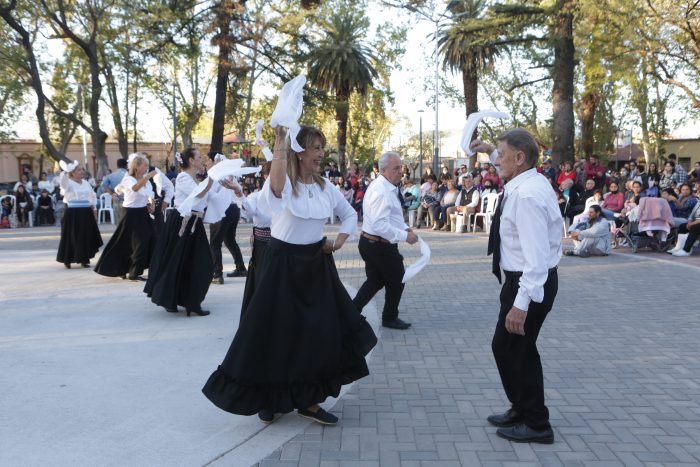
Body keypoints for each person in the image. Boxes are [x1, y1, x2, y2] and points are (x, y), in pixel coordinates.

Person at [202, 125, 376, 426]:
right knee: (277, 334)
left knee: (316, 335)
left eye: (322, 147)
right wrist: (280, 143)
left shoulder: (325, 187)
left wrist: (338, 241)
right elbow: (277, 188)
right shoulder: (282, 183)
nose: (321, 154)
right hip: (281, 264)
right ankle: (271, 398)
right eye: (315, 148)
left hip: (315, 265)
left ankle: (309, 401)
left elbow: (349, 214)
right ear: (299, 152)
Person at [470, 128, 561, 444]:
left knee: (518, 351)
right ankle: (521, 408)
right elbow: (504, 161)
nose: (498, 161)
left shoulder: (526, 196)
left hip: (529, 282)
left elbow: (536, 258)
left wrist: (521, 303)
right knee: (508, 348)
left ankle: (537, 423)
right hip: (524, 280)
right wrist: (488, 151)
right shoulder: (527, 180)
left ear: (520, 158)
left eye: (502, 154)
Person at [144, 148, 215, 316]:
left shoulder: (192, 178)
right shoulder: (183, 177)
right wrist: (212, 177)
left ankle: (188, 300)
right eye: (198, 157)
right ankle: (178, 300)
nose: (201, 159)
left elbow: (205, 197)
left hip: (193, 223)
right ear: (190, 160)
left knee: (196, 262)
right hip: (182, 223)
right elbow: (199, 194)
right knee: (179, 261)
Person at [353, 151, 419, 330]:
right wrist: (405, 236)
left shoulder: (388, 186)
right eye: (396, 168)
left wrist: (405, 228)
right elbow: (380, 225)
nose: (400, 171)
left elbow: (392, 215)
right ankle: (389, 317)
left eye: (401, 167)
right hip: (378, 244)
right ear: (383, 170)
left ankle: (351, 312)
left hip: (373, 243)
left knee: (375, 280)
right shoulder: (381, 191)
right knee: (398, 278)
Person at [95, 153, 157, 281]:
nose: (147, 168)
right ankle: (125, 270)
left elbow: (150, 195)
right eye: (145, 165)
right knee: (126, 242)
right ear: (137, 167)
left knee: (147, 240)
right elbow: (135, 188)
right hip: (130, 213)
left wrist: (152, 205)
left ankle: (134, 270)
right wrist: (148, 177)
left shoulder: (145, 179)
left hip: (142, 212)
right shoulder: (129, 179)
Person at [206, 152, 247, 285]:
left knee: (215, 243)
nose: (206, 162)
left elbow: (211, 193)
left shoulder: (216, 173)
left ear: (214, 161)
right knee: (229, 240)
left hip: (223, 210)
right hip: (234, 209)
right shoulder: (228, 173)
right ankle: (240, 267)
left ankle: (217, 274)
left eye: (208, 159)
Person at [239, 161, 272, 315]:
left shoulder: (288, 194)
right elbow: (249, 211)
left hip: (282, 244)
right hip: (263, 244)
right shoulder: (257, 196)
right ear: (266, 176)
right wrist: (240, 194)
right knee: (263, 279)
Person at [56, 161, 103, 268]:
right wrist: (65, 172)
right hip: (72, 212)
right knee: (71, 235)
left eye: (82, 170)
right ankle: (67, 259)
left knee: (85, 235)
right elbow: (63, 184)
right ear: (72, 172)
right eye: (79, 170)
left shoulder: (86, 183)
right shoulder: (68, 182)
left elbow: (92, 195)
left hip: (86, 211)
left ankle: (84, 259)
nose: (82, 172)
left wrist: (94, 207)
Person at [101, 158, 128, 224]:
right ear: (126, 165)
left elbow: (103, 185)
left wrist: (112, 194)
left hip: (117, 200)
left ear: (117, 165)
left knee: (118, 222)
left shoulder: (111, 175)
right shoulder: (130, 175)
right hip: (129, 200)